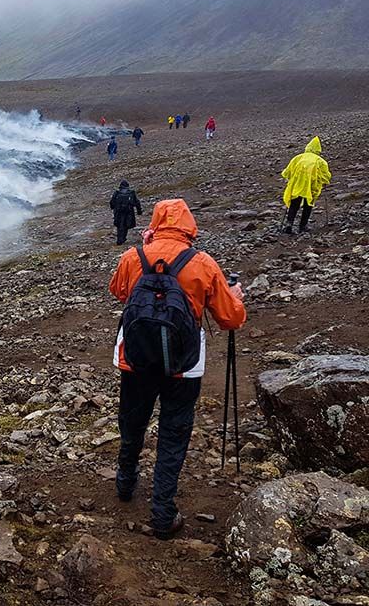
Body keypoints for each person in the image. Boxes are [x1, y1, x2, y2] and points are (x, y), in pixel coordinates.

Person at [109, 199, 246, 539]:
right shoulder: (202, 263)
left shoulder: (133, 257)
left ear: (156, 221)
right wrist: (236, 296)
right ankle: (162, 512)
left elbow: (118, 292)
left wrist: (144, 253)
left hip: (135, 358)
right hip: (183, 367)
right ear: (189, 226)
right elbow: (230, 318)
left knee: (132, 420)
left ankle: (125, 482)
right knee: (173, 433)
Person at [281, 136, 332, 234]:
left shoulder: (298, 158)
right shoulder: (320, 161)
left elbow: (287, 172)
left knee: (294, 204)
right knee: (308, 205)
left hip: (297, 185)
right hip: (311, 187)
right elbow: (325, 175)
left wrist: (291, 179)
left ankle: (289, 223)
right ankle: (302, 226)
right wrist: (325, 181)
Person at [110, 179, 143, 244]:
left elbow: (112, 202)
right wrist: (139, 211)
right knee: (126, 225)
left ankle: (120, 239)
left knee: (119, 225)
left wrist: (113, 208)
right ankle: (123, 238)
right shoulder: (131, 193)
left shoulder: (117, 193)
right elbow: (137, 202)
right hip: (129, 211)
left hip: (118, 212)